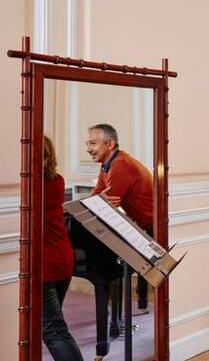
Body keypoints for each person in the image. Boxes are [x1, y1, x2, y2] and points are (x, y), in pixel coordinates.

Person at [86, 123, 153, 309]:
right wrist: (99, 200)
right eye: (87, 144)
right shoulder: (107, 164)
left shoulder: (120, 165)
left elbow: (103, 205)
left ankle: (114, 312)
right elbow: (96, 197)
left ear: (110, 144)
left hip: (151, 228)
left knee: (112, 265)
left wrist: (99, 200)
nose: (88, 149)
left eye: (93, 143)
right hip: (142, 224)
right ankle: (128, 307)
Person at [42, 135, 84, 361]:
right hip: (63, 259)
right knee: (49, 326)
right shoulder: (57, 181)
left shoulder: (31, 186)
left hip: (44, 264)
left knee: (54, 331)